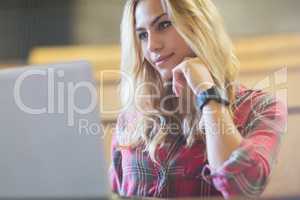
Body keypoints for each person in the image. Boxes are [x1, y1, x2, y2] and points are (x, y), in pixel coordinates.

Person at [109, 0, 287, 199]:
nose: (152, 46)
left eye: (164, 25)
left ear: (198, 25)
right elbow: (115, 193)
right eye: (142, 35)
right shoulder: (132, 117)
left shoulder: (260, 108)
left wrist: (207, 93)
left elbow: (242, 187)